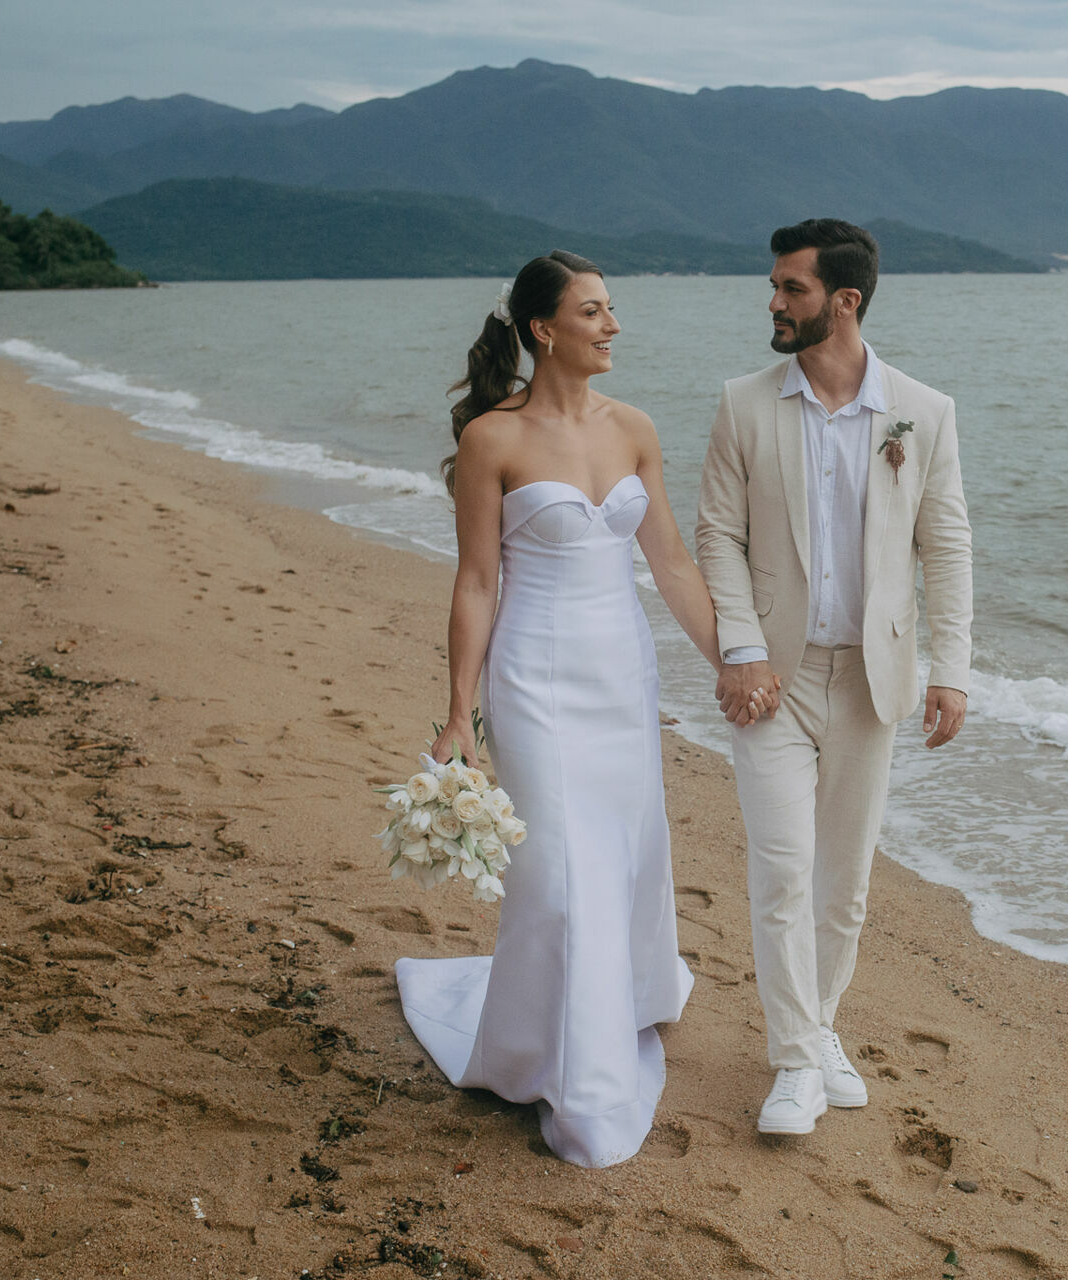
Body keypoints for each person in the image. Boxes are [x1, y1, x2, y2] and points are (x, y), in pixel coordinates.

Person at [395, 251, 769, 1167]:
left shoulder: (634, 428)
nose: (611, 327)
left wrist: (740, 660)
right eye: (593, 312)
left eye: (611, 311)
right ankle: (557, 1062)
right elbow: (478, 583)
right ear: (541, 330)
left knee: (624, 853)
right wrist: (457, 712)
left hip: (621, 673)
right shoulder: (494, 439)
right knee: (559, 874)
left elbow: (672, 564)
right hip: (536, 678)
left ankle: (615, 1005)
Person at [695, 219, 974, 1135]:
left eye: (791, 289)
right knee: (782, 872)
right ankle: (792, 1064)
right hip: (771, 677)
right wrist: (740, 650)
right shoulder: (743, 404)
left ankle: (817, 1030)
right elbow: (716, 538)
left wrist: (952, 668)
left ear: (843, 301)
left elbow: (947, 543)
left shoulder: (922, 413)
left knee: (844, 884)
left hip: (872, 680)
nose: (773, 303)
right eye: (774, 287)